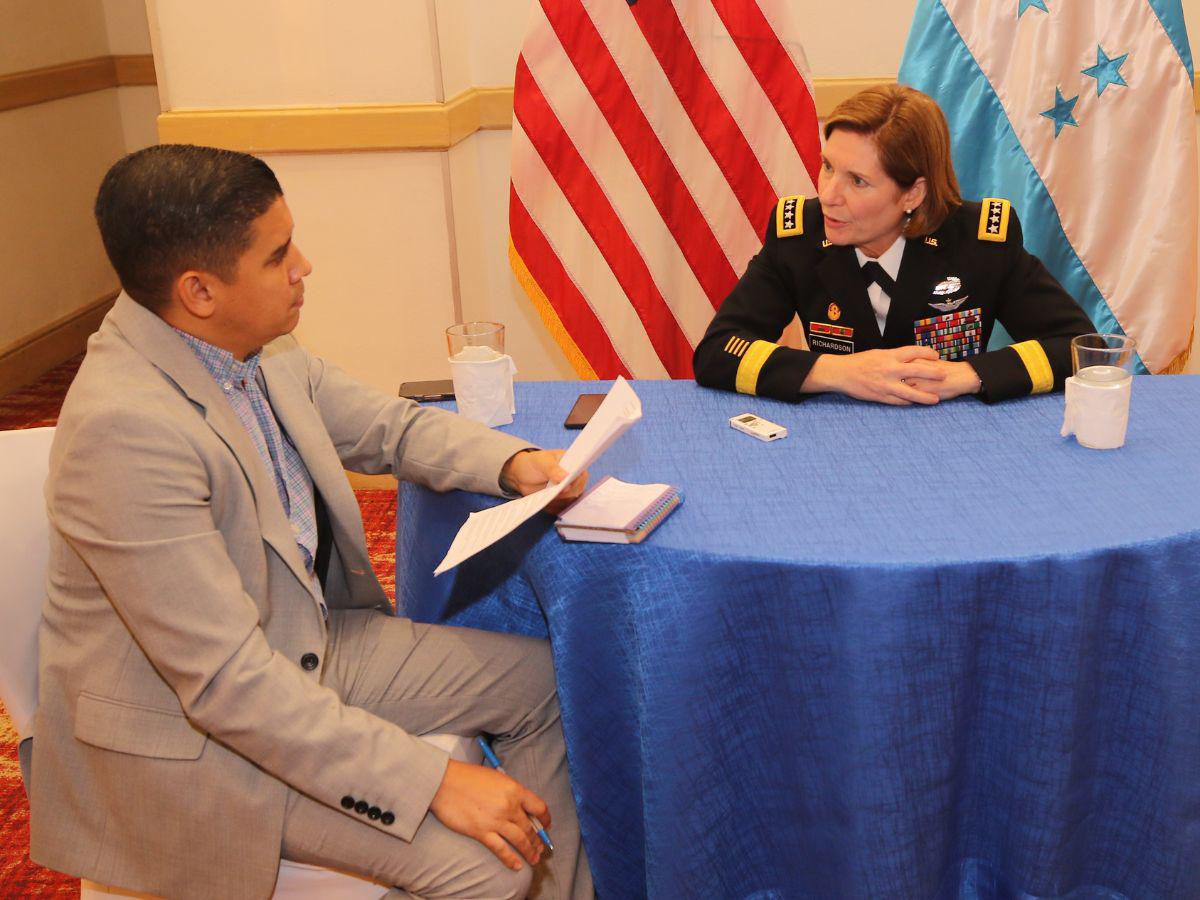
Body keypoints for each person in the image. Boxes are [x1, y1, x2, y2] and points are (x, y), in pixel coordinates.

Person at [30, 144, 593, 900]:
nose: (305, 264)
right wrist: (430, 781)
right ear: (199, 290)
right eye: (277, 255)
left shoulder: (253, 346)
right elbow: (229, 685)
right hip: (196, 742)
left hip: (302, 645)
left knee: (542, 686)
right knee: (489, 870)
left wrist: (514, 461)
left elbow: (387, 427)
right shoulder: (125, 431)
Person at [693, 84, 1095, 405]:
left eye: (858, 181)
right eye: (828, 167)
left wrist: (969, 375)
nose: (829, 195)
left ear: (912, 194)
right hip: (836, 440)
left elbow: (1081, 349)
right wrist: (838, 372)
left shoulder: (979, 242)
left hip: (955, 440)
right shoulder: (799, 237)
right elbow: (716, 352)